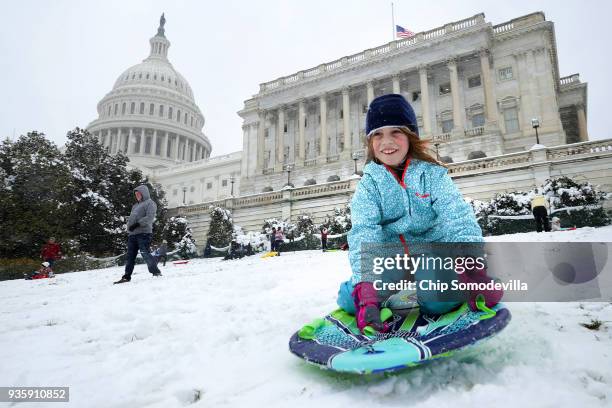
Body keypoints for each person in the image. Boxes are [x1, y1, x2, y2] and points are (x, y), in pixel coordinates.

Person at [337, 94, 502, 333]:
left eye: (396, 132)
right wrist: (366, 290)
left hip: (431, 254)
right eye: (378, 134)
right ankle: (361, 288)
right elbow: (364, 231)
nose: (387, 142)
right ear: (370, 142)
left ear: (410, 135)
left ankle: (454, 280)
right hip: (390, 258)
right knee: (349, 301)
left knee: (437, 301)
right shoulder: (368, 184)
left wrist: (473, 268)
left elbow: (457, 216)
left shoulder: (432, 174)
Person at [114, 185, 162, 284]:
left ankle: (156, 272)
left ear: (144, 193)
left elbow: (149, 217)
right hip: (132, 235)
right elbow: (132, 219)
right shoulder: (135, 206)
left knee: (145, 253)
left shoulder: (150, 203)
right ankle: (126, 277)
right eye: (136, 194)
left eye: (138, 194)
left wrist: (137, 224)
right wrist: (129, 228)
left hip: (144, 234)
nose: (137, 196)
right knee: (130, 256)